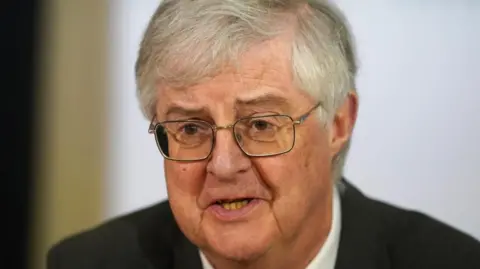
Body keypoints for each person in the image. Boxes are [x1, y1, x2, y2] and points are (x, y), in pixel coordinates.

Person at [47, 0, 480, 268]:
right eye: (191, 128)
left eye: (259, 125)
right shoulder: (89, 263)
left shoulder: (450, 262)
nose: (223, 164)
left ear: (339, 123)